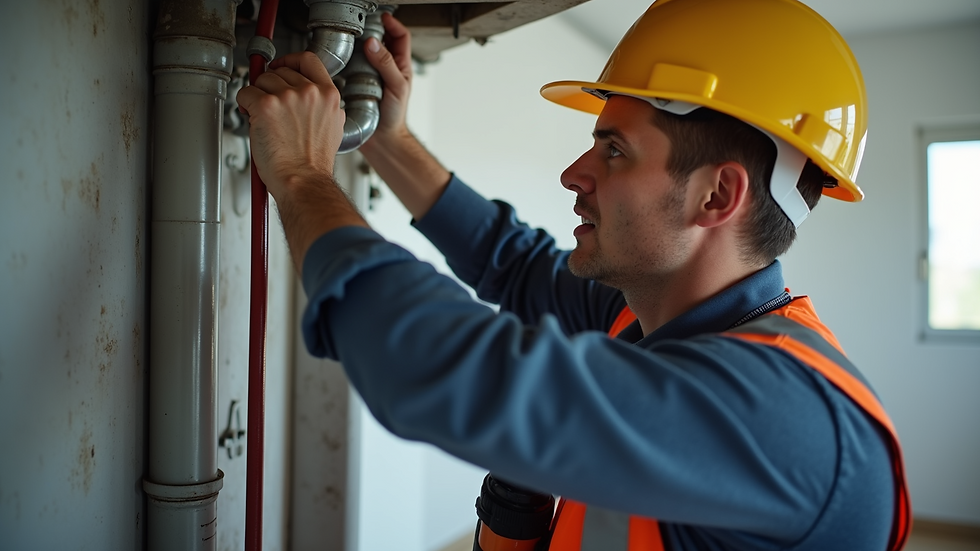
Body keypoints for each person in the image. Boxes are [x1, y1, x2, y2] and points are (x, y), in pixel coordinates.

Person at [236, 0, 911, 548]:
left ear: (716, 196)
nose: (573, 175)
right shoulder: (644, 317)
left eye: (614, 151)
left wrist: (300, 175)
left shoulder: (786, 423)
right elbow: (515, 262)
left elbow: (433, 370)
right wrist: (387, 135)